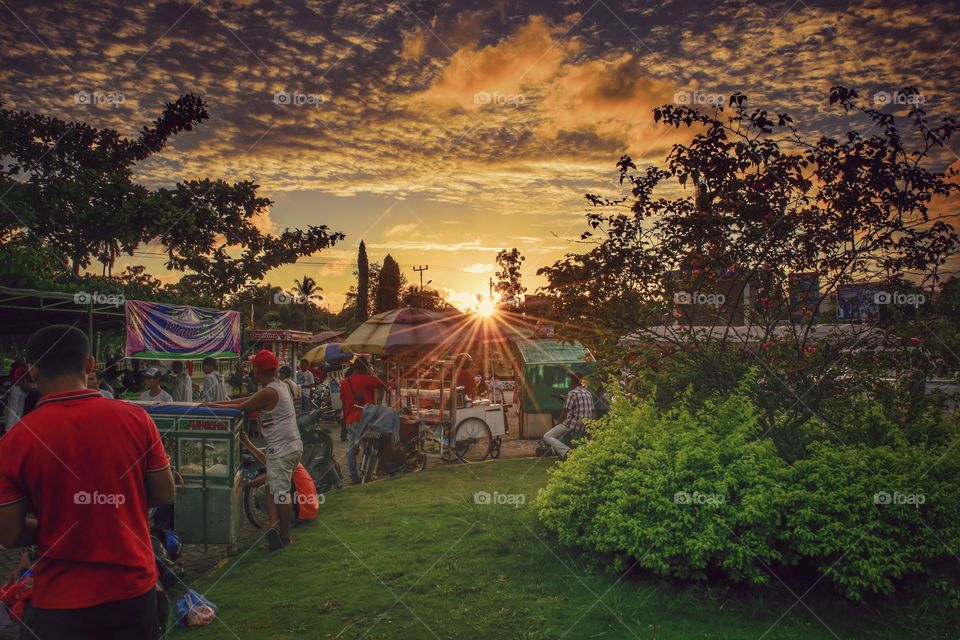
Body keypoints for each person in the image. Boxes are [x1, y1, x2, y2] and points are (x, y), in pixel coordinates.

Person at [0, 324, 174, 639]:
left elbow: (9, 533)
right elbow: (164, 493)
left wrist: (61, 521)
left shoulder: (16, 440)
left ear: (33, 372)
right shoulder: (136, 420)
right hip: (132, 592)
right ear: (90, 364)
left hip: (59, 603)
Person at [205, 350, 302, 550]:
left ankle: (285, 535)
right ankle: (273, 528)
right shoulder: (280, 385)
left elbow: (242, 406)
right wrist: (212, 404)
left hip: (282, 450)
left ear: (257, 370)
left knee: (280, 493)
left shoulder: (269, 392)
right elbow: (243, 401)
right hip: (291, 447)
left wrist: (210, 406)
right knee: (271, 488)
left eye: (253, 367)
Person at [237, 431, 318, 523]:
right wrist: (248, 443)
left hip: (302, 512)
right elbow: (267, 462)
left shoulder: (286, 460)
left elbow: (269, 478)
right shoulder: (290, 456)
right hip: (307, 509)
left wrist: (247, 485)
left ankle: (276, 522)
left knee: (264, 490)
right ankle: (277, 522)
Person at [340, 362, 386, 484]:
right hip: (364, 420)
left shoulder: (344, 382)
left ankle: (354, 477)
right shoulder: (366, 379)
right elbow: (383, 383)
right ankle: (371, 472)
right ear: (365, 369)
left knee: (351, 449)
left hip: (350, 420)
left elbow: (343, 403)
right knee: (376, 441)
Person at [542, 372, 595, 460]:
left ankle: (567, 452)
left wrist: (557, 424)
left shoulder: (572, 393)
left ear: (575, 381)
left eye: (571, 380)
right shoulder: (588, 394)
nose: (569, 382)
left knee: (547, 436)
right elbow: (588, 409)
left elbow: (565, 412)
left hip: (572, 425)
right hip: (583, 427)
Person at [2, 363, 27, 432]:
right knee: (20, 409)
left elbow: (14, 379)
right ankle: (16, 427)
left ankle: (9, 429)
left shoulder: (17, 368)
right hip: (23, 388)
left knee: (13, 408)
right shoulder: (24, 367)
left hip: (16, 387)